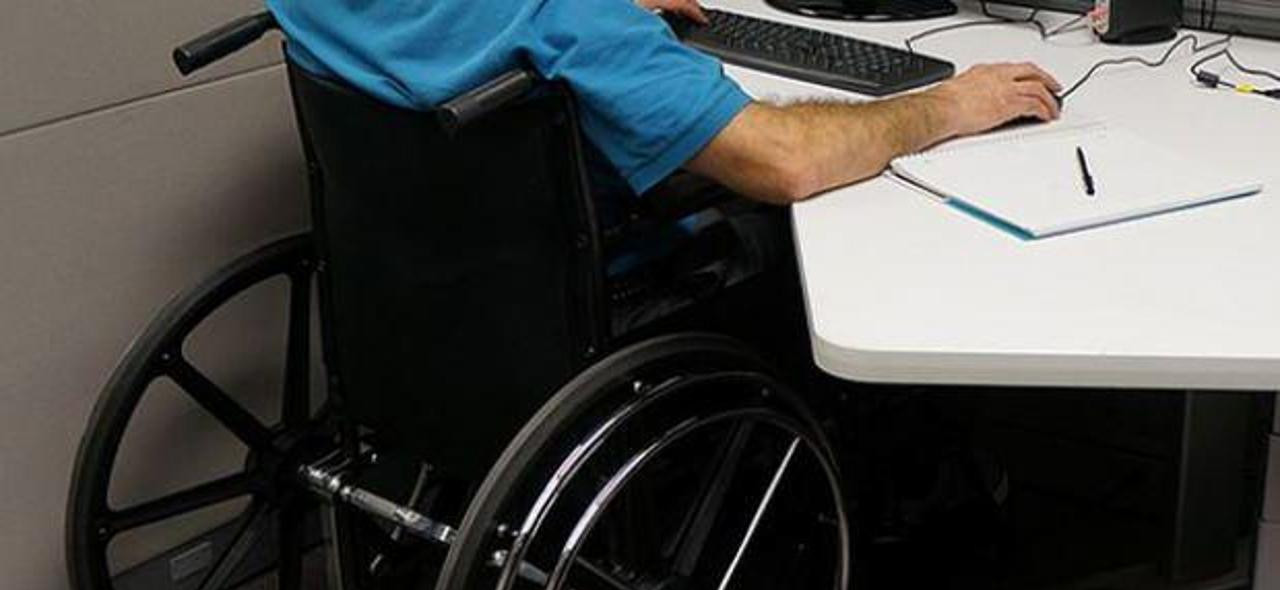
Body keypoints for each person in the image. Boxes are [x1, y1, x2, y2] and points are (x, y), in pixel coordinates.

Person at [267, 0, 1061, 205]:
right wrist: (949, 104)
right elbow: (786, 163)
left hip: (419, 286)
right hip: (585, 296)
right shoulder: (565, 19)